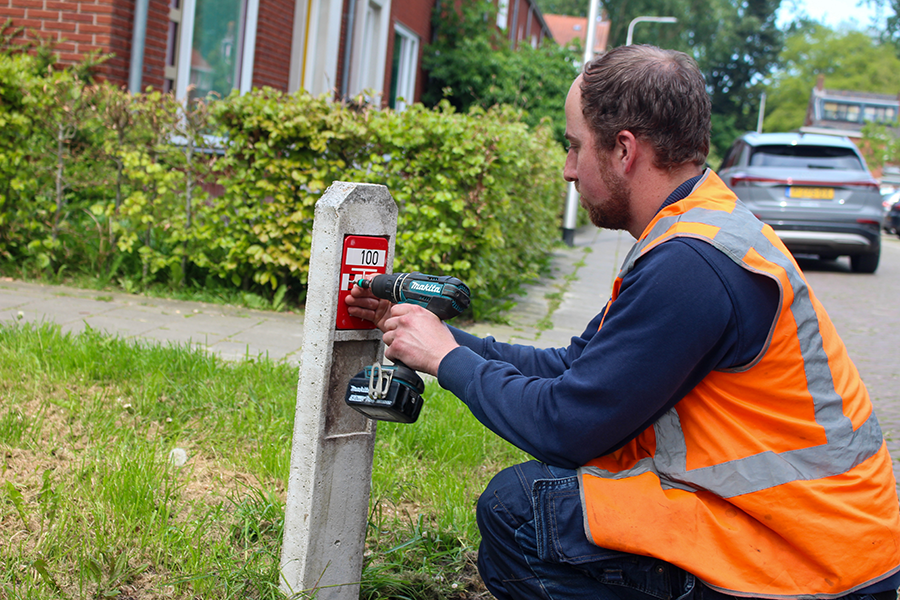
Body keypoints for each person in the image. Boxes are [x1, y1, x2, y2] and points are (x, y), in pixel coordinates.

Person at [346, 44, 900, 600]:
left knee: (522, 512)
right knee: (533, 507)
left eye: (575, 146)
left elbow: (566, 427)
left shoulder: (692, 266)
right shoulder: (694, 227)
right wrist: (429, 333)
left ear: (624, 150)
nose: (568, 169)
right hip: (806, 535)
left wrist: (448, 360)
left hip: (811, 562)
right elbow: (574, 368)